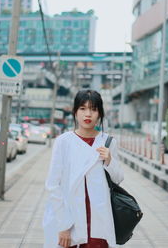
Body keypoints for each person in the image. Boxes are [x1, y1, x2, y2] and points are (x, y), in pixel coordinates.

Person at [43, 89, 124, 248]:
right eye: (83, 108)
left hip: (98, 221)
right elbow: (53, 185)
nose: (88, 114)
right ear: (75, 112)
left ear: (99, 114)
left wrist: (109, 160)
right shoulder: (63, 142)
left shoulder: (108, 142)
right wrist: (63, 224)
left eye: (93, 109)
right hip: (70, 218)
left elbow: (118, 179)